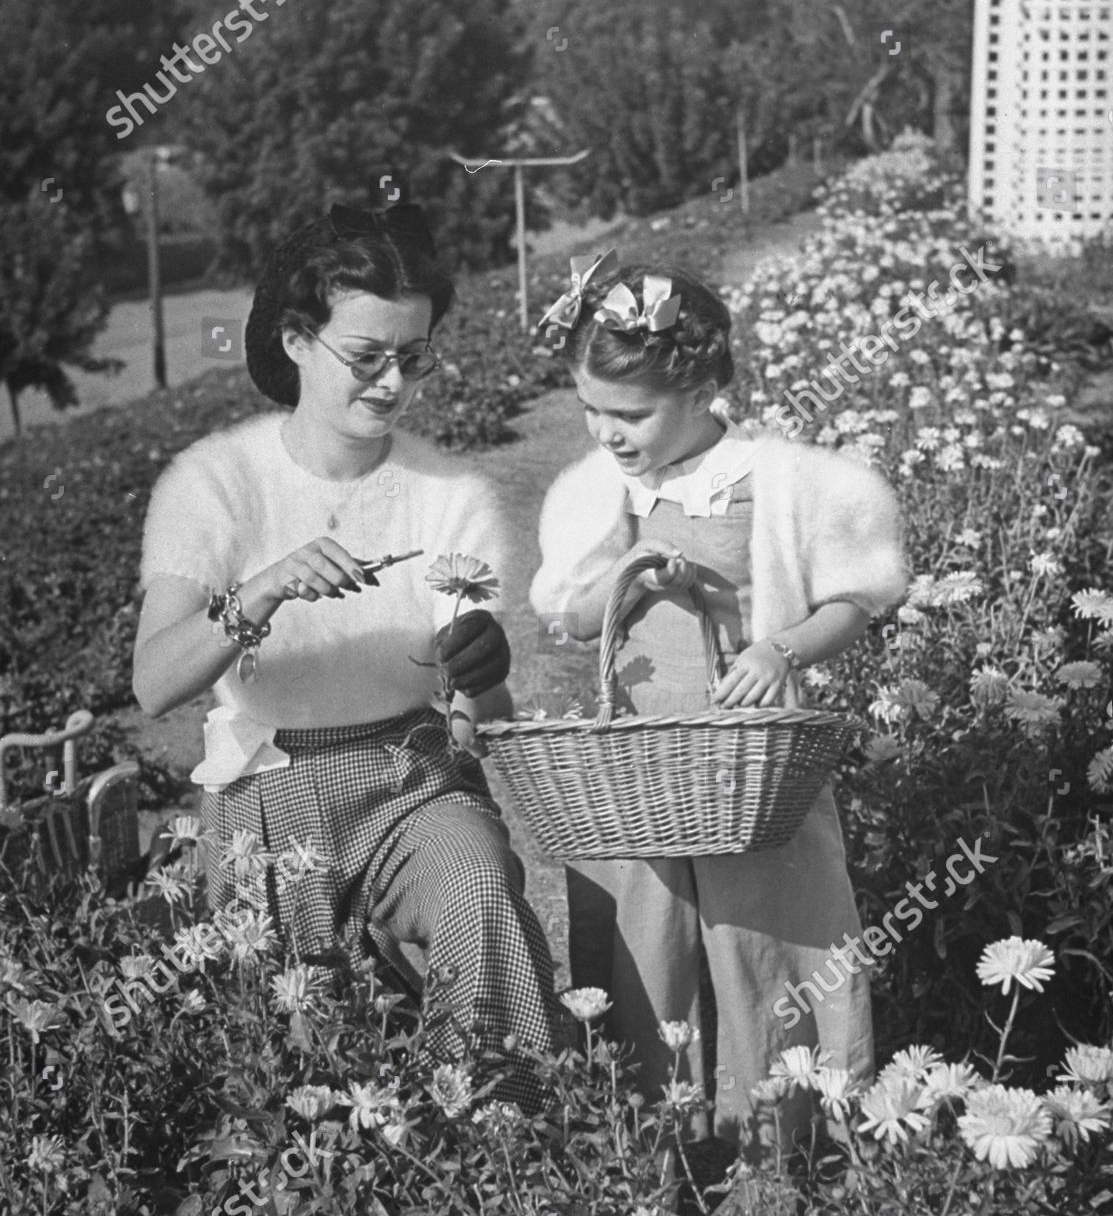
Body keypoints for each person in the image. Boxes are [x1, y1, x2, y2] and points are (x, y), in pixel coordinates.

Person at [132, 199, 560, 1109]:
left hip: (413, 778)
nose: (392, 384)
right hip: (267, 785)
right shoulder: (214, 484)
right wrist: (261, 591)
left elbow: (485, 723)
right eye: (367, 357)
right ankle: (325, 1194)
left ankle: (504, 1154)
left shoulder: (449, 493)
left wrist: (485, 675)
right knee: (287, 1025)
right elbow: (154, 684)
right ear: (295, 340)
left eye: (414, 357)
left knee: (480, 896)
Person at [529, 253, 908, 1156]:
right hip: (641, 756)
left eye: (629, 415)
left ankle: (784, 1139)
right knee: (646, 940)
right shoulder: (604, 493)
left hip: (751, 757)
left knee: (766, 934)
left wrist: (780, 649)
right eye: (590, 410)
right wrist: (626, 567)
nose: (606, 433)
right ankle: (665, 1144)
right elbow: (575, 617)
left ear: (701, 389)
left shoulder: (772, 480)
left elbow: (856, 596)